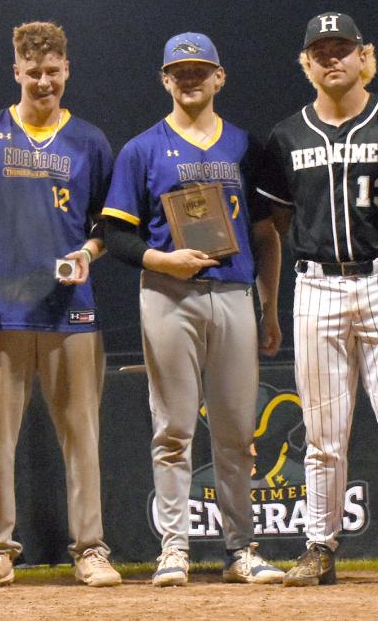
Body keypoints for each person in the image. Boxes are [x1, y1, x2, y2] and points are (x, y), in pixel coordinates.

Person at [259, 12, 378, 586]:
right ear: (305, 63)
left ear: (364, 55)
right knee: (322, 434)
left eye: (342, 48)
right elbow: (281, 218)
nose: (331, 57)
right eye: (320, 50)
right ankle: (319, 546)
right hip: (315, 285)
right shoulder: (285, 135)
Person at [0, 21, 121, 588]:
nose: (43, 81)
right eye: (33, 71)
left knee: (83, 435)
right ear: (16, 71)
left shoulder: (89, 140)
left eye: (53, 71)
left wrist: (89, 251)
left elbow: (108, 226)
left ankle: (90, 549)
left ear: (67, 70)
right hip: (0, 312)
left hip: (72, 311)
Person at [102, 32, 284, 587]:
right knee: (174, 428)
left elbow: (266, 235)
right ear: (165, 79)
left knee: (234, 431)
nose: (190, 79)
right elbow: (114, 234)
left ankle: (241, 549)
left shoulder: (245, 147)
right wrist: (164, 259)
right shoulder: (143, 148)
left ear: (219, 77)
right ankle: (174, 548)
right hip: (168, 295)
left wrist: (270, 307)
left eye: (200, 70)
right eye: (179, 71)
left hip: (233, 293)